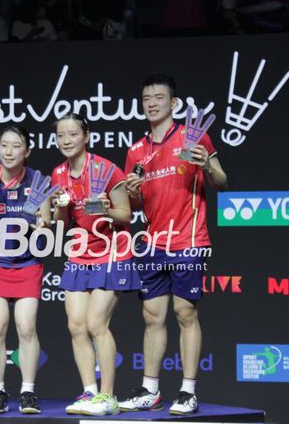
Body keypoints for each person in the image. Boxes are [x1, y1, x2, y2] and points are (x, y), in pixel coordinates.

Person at [120, 74, 227, 415]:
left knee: (185, 313)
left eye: (158, 97)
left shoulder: (192, 136)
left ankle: (188, 390)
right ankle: (150, 389)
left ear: (174, 104)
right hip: (152, 243)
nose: (151, 103)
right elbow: (135, 206)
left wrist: (208, 164)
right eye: (146, 98)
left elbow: (222, 182)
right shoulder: (136, 150)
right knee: (152, 317)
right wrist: (134, 194)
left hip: (188, 239)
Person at [50, 113, 141, 416]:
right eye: (61, 135)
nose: (66, 140)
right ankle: (89, 392)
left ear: (86, 136)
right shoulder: (58, 174)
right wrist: (59, 208)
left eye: (73, 134)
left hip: (113, 252)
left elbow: (126, 215)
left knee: (96, 323)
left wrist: (105, 209)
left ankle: (108, 396)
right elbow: (63, 224)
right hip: (79, 254)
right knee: (76, 326)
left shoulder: (106, 169)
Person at [0, 125, 51, 415]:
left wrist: (43, 225)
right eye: (3, 145)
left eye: (15, 146)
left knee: (27, 327)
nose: (8, 151)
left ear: (27, 151)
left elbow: (47, 227)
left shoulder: (40, 182)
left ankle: (28, 392)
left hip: (28, 263)